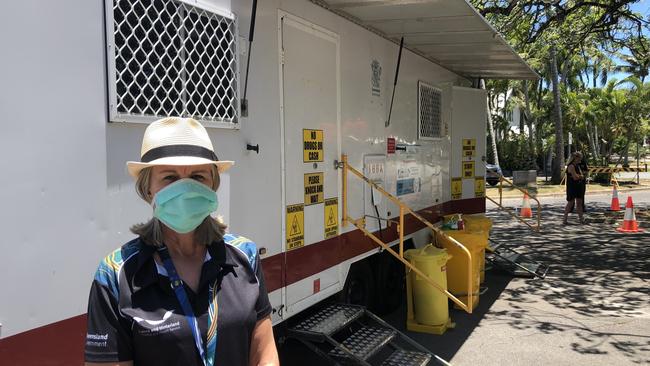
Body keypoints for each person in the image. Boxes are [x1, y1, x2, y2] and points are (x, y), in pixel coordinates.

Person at [84, 117, 279, 366]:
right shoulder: (114, 276)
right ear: (148, 190)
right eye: (170, 178)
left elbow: (264, 354)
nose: (185, 189)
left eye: (198, 176)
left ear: (213, 185)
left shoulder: (245, 255)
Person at [563, 151, 586, 225]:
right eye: (579, 158)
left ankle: (581, 219)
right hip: (572, 186)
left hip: (579, 186)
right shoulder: (571, 166)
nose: (580, 160)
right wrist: (581, 176)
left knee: (579, 202)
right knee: (571, 202)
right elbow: (575, 177)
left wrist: (581, 176)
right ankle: (565, 219)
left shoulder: (578, 166)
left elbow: (581, 174)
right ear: (575, 158)